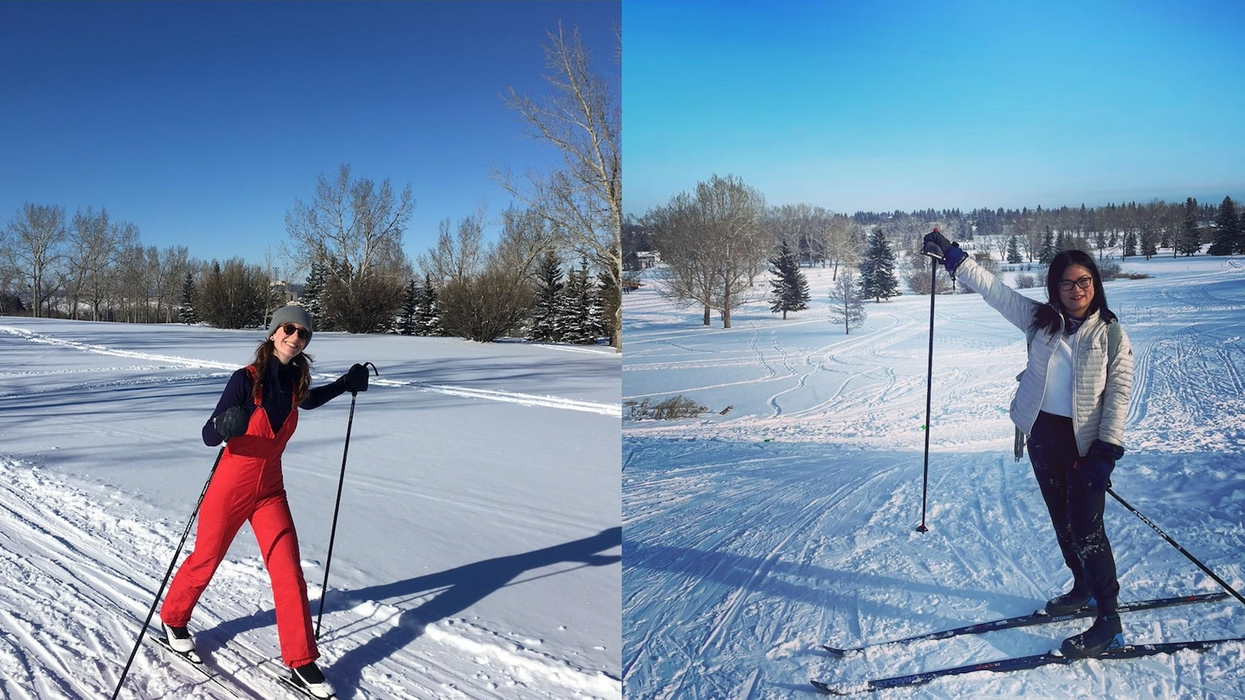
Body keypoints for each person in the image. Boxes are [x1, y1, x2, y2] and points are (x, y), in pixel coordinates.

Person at [923, 228, 1134, 658]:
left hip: (1085, 448)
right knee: (1064, 524)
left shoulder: (1110, 334)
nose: (1077, 290)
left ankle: (1109, 621)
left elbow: (1118, 395)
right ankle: (1083, 588)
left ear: (1095, 284)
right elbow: (994, 290)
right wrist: (954, 257)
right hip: (1042, 436)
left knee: (1087, 529)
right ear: (1055, 287)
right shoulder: (1040, 320)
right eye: (1067, 282)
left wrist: (1105, 453)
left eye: (1085, 281)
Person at [159, 304, 370, 698]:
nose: (295, 337)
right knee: (206, 558)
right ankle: (173, 619)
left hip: (270, 490)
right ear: (273, 333)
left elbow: (308, 402)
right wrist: (225, 424)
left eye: (303, 333)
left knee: (288, 571)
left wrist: (345, 383)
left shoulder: (294, 382)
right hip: (230, 487)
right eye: (288, 329)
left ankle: (301, 659)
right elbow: (208, 434)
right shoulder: (246, 379)